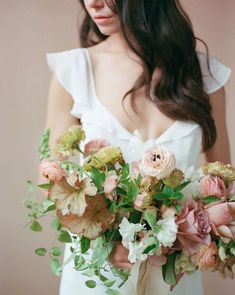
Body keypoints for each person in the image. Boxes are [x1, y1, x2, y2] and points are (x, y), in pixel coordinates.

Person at [45, 0, 232, 294]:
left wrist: (189, 238)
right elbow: (54, 183)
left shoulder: (206, 76)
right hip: (98, 274)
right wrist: (103, 243)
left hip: (174, 277)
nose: (93, 2)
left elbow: (224, 187)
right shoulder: (73, 71)